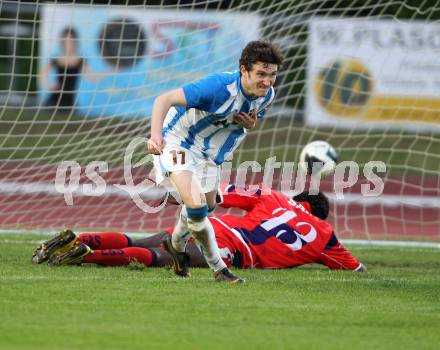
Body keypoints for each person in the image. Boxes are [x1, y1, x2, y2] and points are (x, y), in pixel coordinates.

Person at [147, 40, 284, 283]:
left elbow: (251, 116)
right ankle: (219, 269)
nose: (267, 81)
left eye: (272, 75)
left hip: (209, 153)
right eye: (261, 74)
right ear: (243, 70)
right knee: (197, 207)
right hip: (177, 141)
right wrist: (156, 136)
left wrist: (251, 124)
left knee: (205, 207)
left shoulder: (267, 95)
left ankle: (175, 244)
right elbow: (163, 99)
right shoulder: (218, 88)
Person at [32, 185, 365, 273]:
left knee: (152, 240)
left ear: (297, 199)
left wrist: (188, 198)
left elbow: (221, 194)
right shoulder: (325, 235)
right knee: (163, 259)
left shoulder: (274, 196)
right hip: (233, 250)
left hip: (213, 224)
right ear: (321, 215)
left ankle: (78, 239)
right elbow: (355, 267)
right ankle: (86, 257)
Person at [39, 27, 102, 109]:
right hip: (53, 101)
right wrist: (48, 85)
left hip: (69, 102)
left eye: (71, 41)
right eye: (66, 42)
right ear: (62, 43)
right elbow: (42, 74)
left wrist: (110, 71)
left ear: (75, 42)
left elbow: (92, 78)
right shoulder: (56, 59)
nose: (69, 44)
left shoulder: (81, 60)